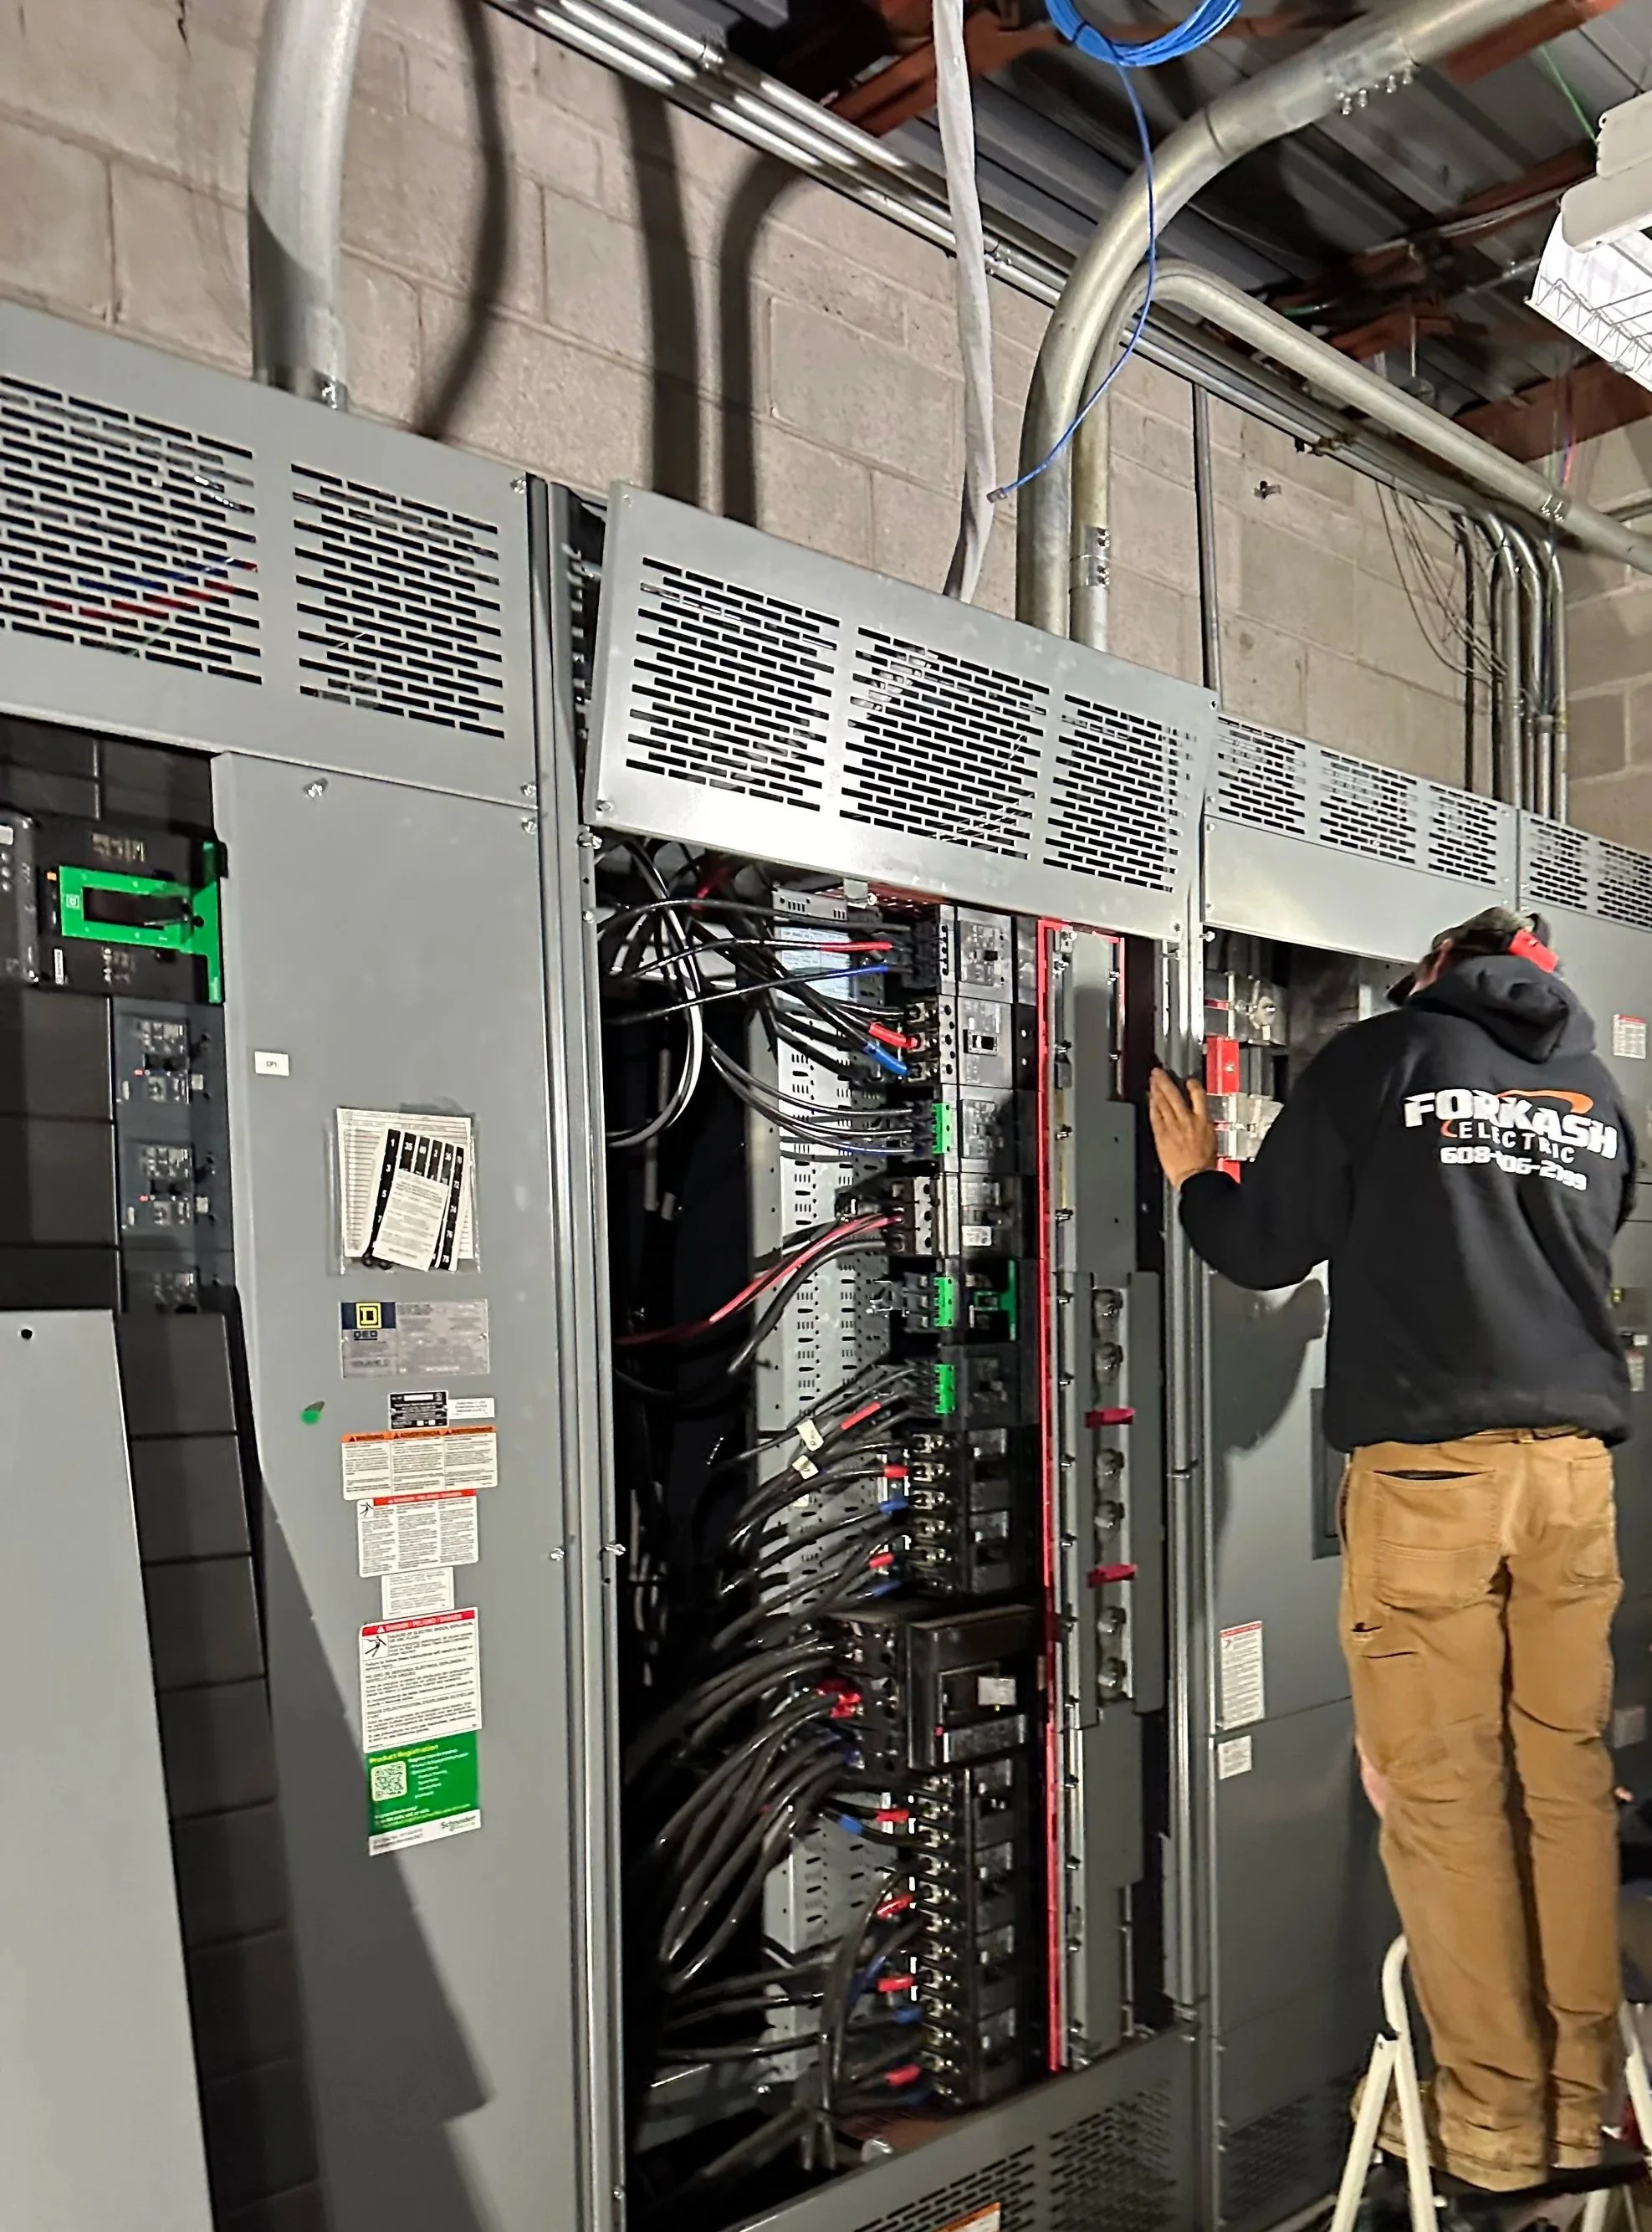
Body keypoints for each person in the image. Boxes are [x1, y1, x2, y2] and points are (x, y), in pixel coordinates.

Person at [1148, 906, 1638, 2194]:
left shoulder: (1384, 1058)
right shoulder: (1591, 1091)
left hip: (1430, 1481)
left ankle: (1492, 2124)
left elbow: (1260, 1247)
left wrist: (1197, 1170)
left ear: (1429, 972)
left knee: (1445, 1801)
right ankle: (1583, 2106)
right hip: (1571, 1481)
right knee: (1566, 1786)